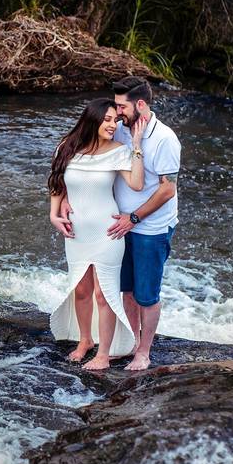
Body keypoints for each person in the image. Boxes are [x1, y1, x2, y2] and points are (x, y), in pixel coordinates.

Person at [59, 76, 181, 371]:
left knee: (146, 294)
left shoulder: (165, 138)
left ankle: (144, 352)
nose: (117, 113)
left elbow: (167, 189)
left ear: (140, 104)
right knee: (125, 291)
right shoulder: (121, 129)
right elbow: (85, 161)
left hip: (148, 227)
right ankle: (127, 345)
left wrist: (134, 218)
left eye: (122, 106)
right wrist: (66, 196)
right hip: (114, 226)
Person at [47, 97, 146, 370]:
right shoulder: (66, 148)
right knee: (81, 289)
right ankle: (84, 341)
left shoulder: (119, 151)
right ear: (93, 119)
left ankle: (103, 354)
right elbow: (57, 184)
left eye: (116, 120)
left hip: (107, 232)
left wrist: (136, 148)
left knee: (104, 294)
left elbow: (137, 184)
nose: (113, 125)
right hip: (77, 232)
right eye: (108, 120)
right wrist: (54, 214)